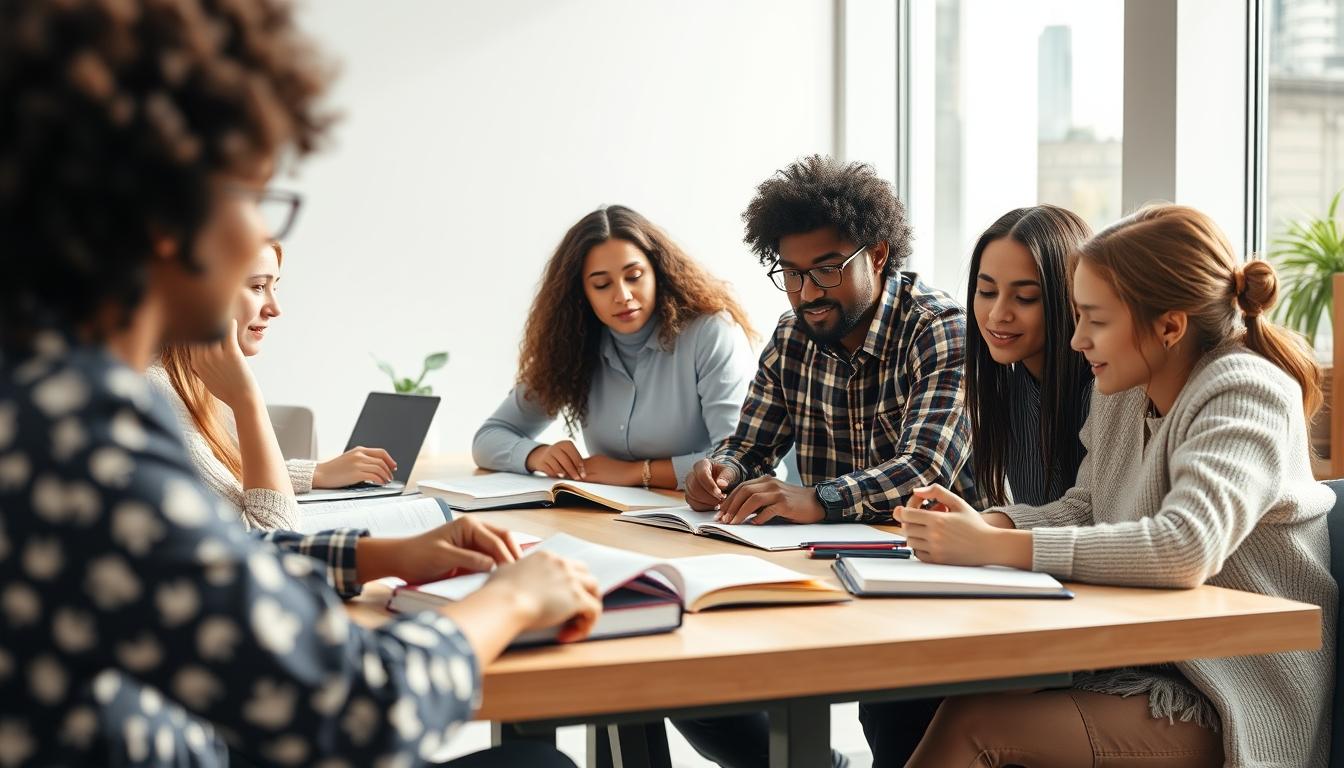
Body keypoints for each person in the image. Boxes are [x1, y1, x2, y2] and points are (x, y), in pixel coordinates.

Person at [0, 2, 598, 765]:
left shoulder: (47, 389)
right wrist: (512, 598)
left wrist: (390, 557)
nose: (261, 235)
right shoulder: (84, 429)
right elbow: (356, 709)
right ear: (161, 213)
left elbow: (201, 569)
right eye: (250, 199)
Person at [896, 205, 1337, 767]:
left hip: (1230, 694)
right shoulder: (1127, 386)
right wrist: (989, 523)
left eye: (1094, 320)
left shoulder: (1247, 391)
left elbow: (1185, 548)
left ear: (1170, 326)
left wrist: (997, 548)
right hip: (1149, 661)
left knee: (976, 725)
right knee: (960, 696)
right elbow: (1088, 505)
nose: (1077, 340)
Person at [675, 155, 980, 767]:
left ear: (879, 255)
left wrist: (819, 499)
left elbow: (927, 468)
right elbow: (750, 442)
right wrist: (724, 470)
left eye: (826, 270)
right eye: (789, 272)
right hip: (826, 571)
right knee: (689, 679)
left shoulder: (939, 330)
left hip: (931, 579)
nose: (807, 292)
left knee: (891, 717)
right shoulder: (794, 334)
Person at [473, 205, 756, 489]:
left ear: (658, 271)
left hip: (694, 520)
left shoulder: (710, 332)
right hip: (606, 518)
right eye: (601, 284)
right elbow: (488, 438)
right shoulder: (573, 343)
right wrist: (538, 455)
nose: (622, 295)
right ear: (581, 293)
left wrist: (636, 473)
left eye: (634, 277)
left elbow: (739, 460)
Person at [148, 241, 399, 530]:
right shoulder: (157, 395)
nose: (275, 308)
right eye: (257, 286)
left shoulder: (192, 381)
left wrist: (316, 473)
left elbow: (223, 474)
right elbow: (272, 533)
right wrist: (247, 398)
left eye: (274, 287)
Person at [965, 205, 1094, 507]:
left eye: (1025, 298)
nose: (997, 315)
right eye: (986, 291)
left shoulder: (1105, 391)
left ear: (1072, 297)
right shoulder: (1009, 387)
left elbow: (1092, 521)